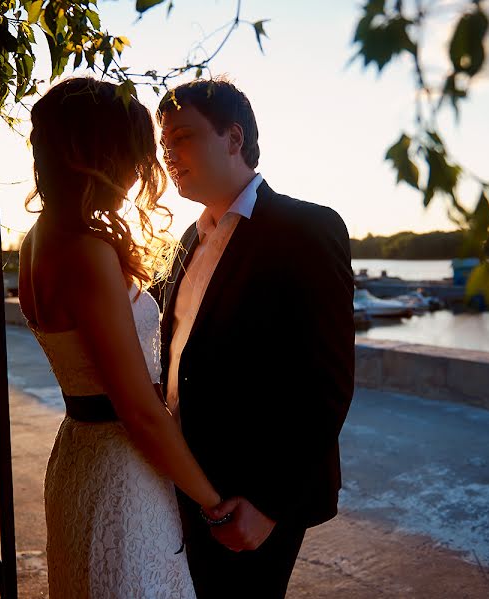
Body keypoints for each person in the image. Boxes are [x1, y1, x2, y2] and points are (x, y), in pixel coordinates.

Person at [18, 77, 222, 599]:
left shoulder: (35, 242)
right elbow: (139, 411)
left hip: (77, 458)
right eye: (134, 154)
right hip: (120, 474)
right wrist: (211, 503)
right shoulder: (87, 253)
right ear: (99, 153)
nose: (139, 170)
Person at [156, 79, 355, 599]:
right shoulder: (187, 240)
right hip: (186, 485)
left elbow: (328, 385)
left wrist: (269, 504)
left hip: (254, 500)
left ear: (233, 138)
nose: (169, 155)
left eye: (181, 137)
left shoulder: (306, 228)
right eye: (163, 146)